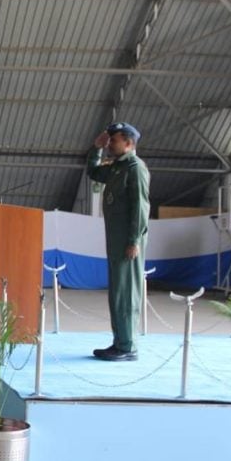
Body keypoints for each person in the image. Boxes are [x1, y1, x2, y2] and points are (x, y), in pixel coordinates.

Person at [87, 122, 150, 362]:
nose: (111, 143)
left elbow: (140, 208)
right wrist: (96, 149)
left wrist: (134, 240)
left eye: (114, 140)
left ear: (129, 143)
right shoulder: (117, 168)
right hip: (117, 240)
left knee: (126, 293)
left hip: (127, 242)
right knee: (117, 292)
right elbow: (93, 172)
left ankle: (127, 345)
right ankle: (120, 342)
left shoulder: (134, 168)